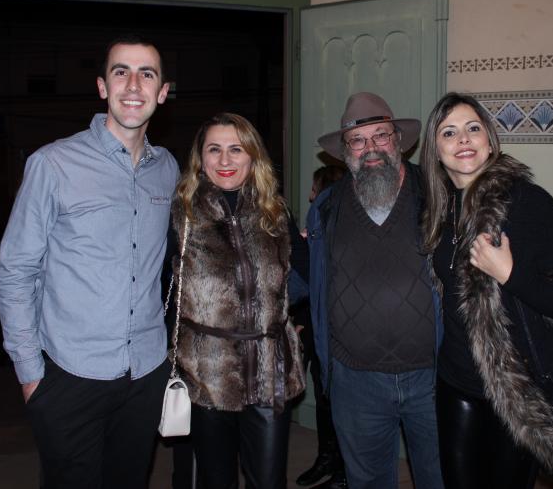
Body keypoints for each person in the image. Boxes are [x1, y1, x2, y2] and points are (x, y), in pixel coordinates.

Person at [0, 35, 177, 488]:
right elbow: (15, 273)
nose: (133, 85)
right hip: (70, 374)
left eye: (146, 74)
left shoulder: (168, 168)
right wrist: (31, 375)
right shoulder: (53, 164)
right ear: (102, 86)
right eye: (121, 72)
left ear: (162, 92)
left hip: (146, 370)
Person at [419, 92, 553, 488]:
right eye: (449, 133)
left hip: (515, 390)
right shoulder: (439, 210)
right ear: (435, 150)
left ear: (489, 139)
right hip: (456, 383)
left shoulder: (527, 202)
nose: (464, 140)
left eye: (473, 128)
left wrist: (509, 273)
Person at [306, 92, 444, 489]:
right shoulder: (326, 207)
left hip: (432, 377)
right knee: (367, 483)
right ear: (344, 151)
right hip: (355, 381)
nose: (370, 149)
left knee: (441, 478)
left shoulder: (437, 194)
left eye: (380, 136)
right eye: (358, 140)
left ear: (398, 140)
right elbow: (308, 274)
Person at [170, 112, 305, 489]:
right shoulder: (181, 216)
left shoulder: (275, 213)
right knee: (215, 481)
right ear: (201, 158)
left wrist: (274, 312)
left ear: (253, 157)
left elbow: (305, 274)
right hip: (206, 375)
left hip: (267, 373)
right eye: (215, 150)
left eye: (236, 149)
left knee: (268, 480)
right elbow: (160, 287)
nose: (225, 161)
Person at [294, 165, 348, 489]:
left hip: (340, 325)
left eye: (316, 189)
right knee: (323, 394)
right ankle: (327, 458)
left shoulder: (335, 220)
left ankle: (343, 471)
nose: (313, 195)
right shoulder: (313, 225)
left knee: (342, 401)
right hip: (315, 322)